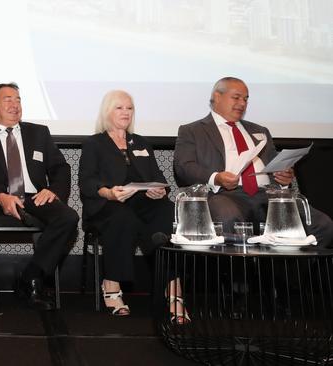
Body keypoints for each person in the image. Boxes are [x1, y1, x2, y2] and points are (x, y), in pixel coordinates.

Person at [0, 82, 79, 316]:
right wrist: (0, 196)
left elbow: (61, 168)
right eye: (8, 99)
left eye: (18, 99)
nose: (15, 104)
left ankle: (32, 277)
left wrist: (54, 191)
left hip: (33, 197)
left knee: (68, 217)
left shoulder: (39, 133)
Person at [174, 76, 333, 247]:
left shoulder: (260, 130)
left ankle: (288, 272)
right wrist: (217, 177)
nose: (242, 103)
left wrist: (284, 176)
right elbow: (184, 167)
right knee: (228, 216)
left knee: (322, 225)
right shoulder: (192, 130)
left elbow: (276, 164)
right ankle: (234, 274)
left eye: (245, 99)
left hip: (268, 196)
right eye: (236, 97)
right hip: (225, 195)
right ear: (217, 97)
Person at [79, 90, 188, 322]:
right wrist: (108, 192)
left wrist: (159, 190)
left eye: (129, 108)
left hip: (142, 203)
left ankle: (174, 289)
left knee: (167, 211)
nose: (126, 112)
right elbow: (87, 182)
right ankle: (111, 282)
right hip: (107, 205)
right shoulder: (94, 144)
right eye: (119, 107)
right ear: (107, 111)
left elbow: (158, 177)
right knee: (123, 217)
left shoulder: (140, 143)